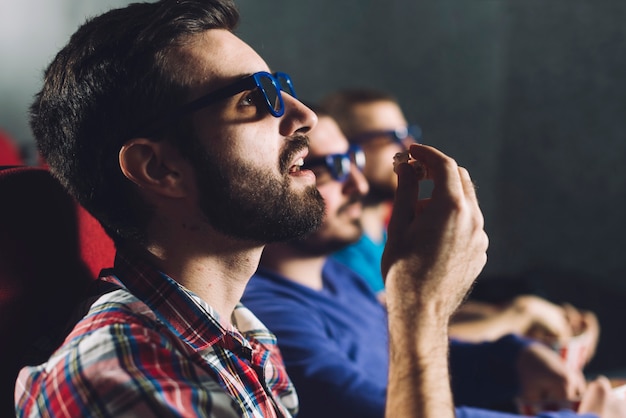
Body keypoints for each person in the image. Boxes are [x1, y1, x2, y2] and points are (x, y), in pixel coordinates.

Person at [12, 1, 617, 417]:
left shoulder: (243, 337)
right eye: (256, 99)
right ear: (159, 169)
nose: (304, 118)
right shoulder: (124, 375)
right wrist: (420, 308)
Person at [242, 108, 624, 417]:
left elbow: (406, 360)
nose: (357, 185)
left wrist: (513, 358)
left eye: (352, 160)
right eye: (327, 167)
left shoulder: (339, 277)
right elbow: (383, 408)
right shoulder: (268, 316)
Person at [321, 88, 600, 354]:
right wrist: (515, 318)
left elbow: (414, 308)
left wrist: (520, 312)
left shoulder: (388, 225)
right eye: (389, 137)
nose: (408, 146)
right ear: (349, 151)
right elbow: (390, 342)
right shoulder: (334, 249)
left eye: (407, 133)